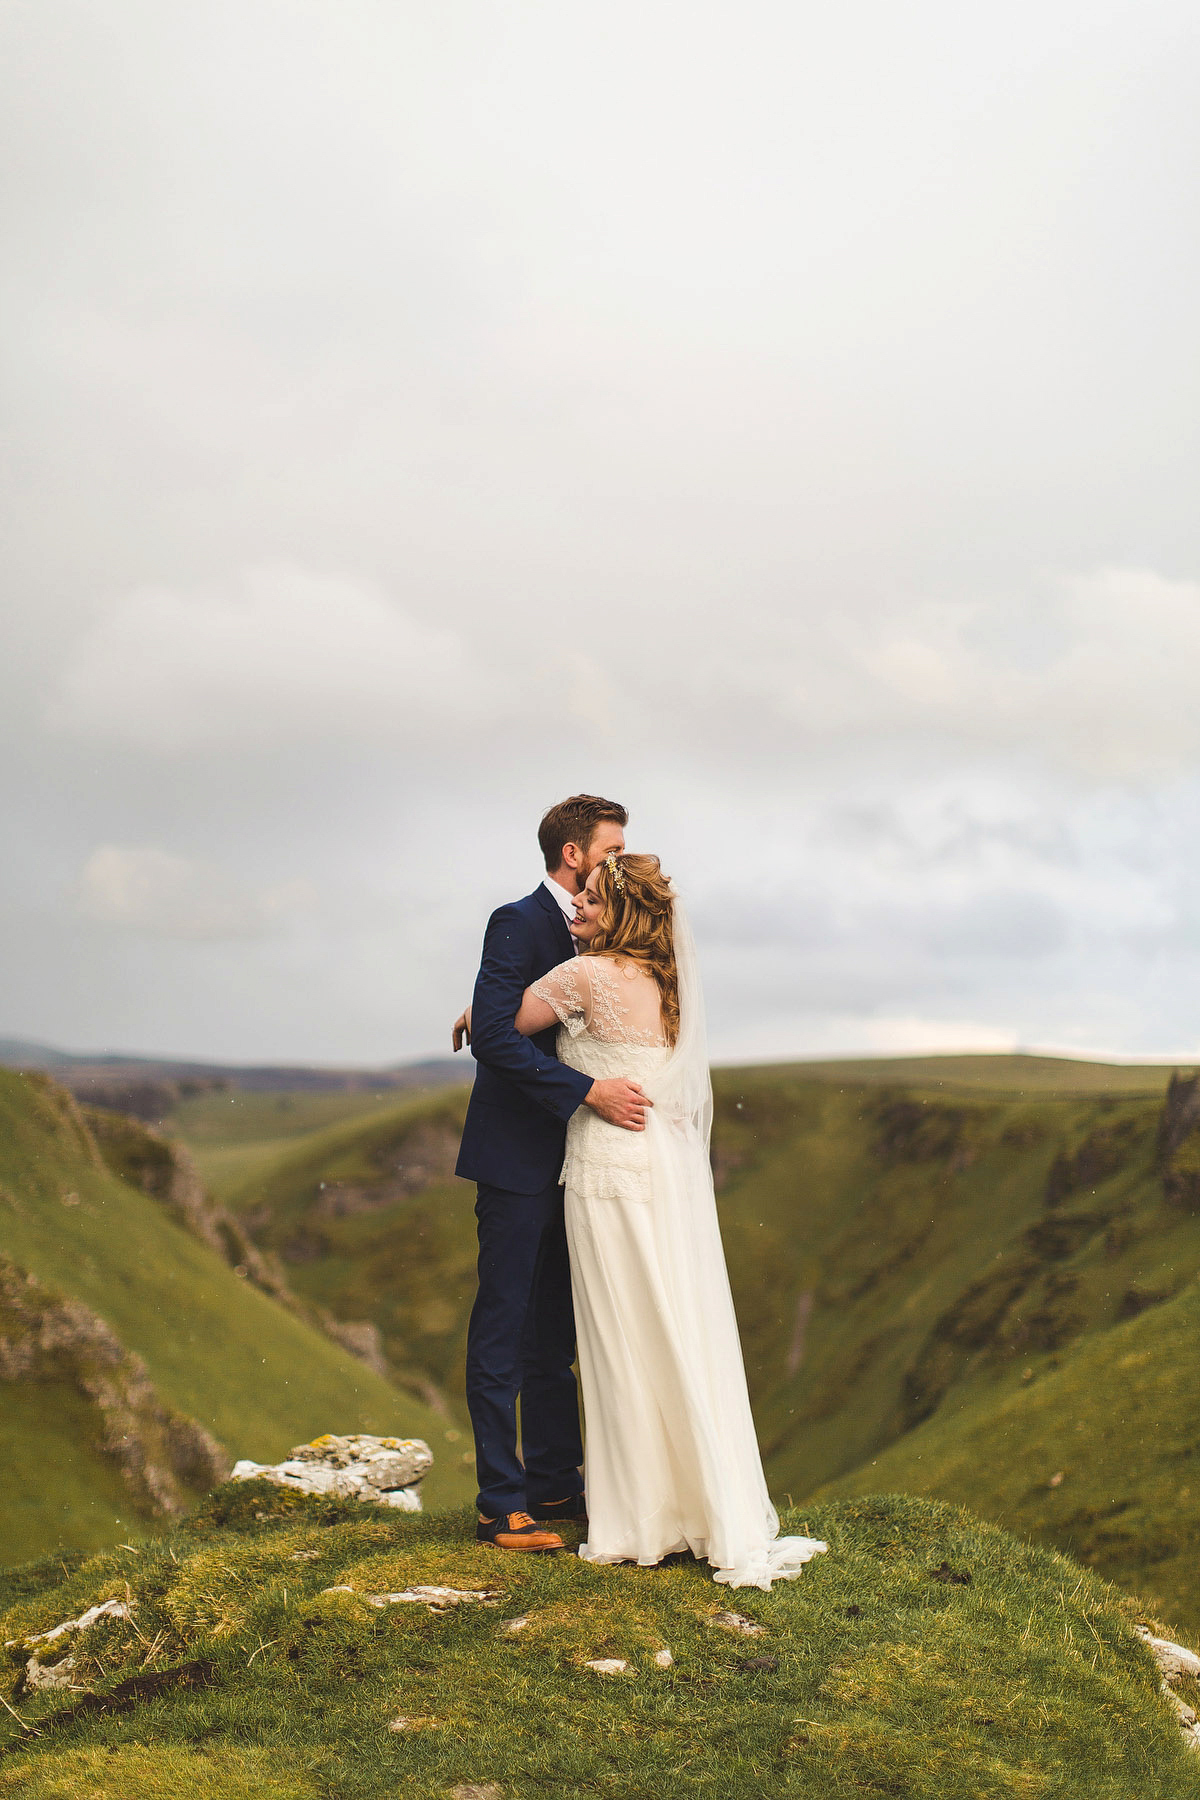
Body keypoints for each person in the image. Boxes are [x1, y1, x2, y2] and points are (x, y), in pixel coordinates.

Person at [512, 851, 828, 1589]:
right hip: (666, 1166)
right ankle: (697, 1502)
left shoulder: (583, 976)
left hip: (608, 1167)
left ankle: (641, 1514)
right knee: (673, 1323)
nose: (577, 911)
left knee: (620, 1332)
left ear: (617, 911)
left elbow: (506, 1021)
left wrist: (475, 1007)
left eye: (588, 900)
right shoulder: (664, 981)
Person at [454, 795, 652, 1553]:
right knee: (503, 1330)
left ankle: (555, 1480)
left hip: (580, 1165)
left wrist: (487, 1005)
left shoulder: (605, 928)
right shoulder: (518, 920)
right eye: (612, 847)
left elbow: (534, 1011)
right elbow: (499, 1043)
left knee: (553, 1336)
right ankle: (500, 1504)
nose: (621, 858)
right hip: (516, 1158)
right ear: (575, 855)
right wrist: (587, 1091)